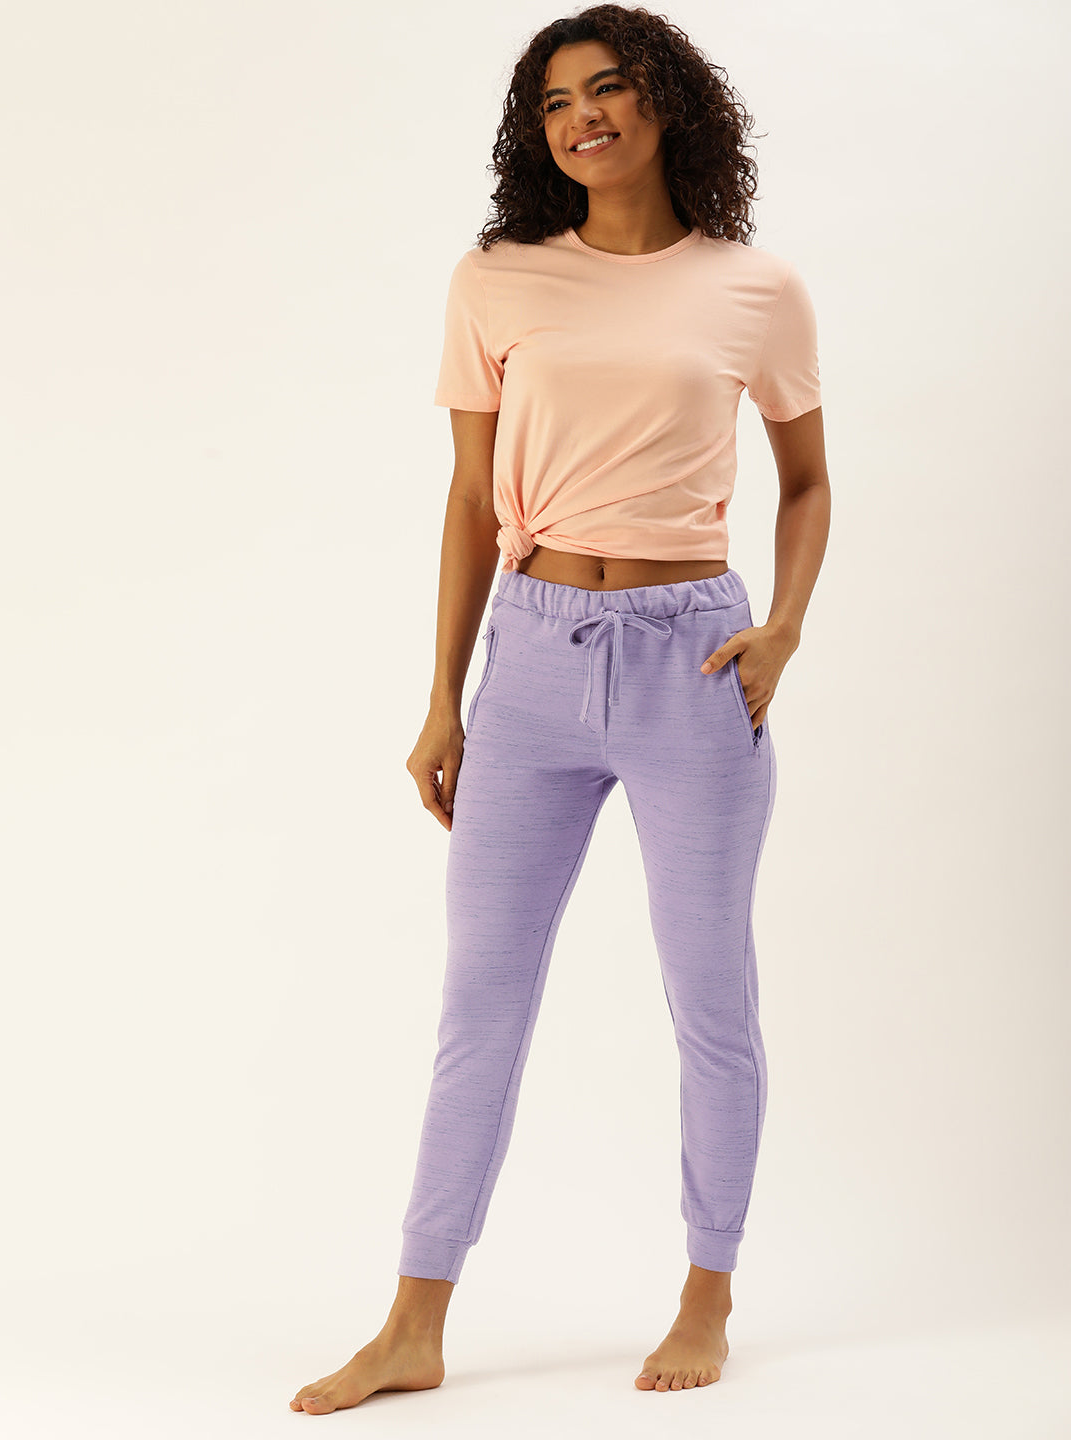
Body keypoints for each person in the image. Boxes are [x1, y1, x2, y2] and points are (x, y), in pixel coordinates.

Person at [291, 2, 829, 1414]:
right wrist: (442, 698)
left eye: (606, 88)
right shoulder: (497, 281)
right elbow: (472, 500)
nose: (580, 117)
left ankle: (707, 1291)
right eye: (553, 102)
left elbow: (807, 480)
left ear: (667, 102)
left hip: (693, 660)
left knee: (710, 994)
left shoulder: (754, 287)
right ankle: (414, 1322)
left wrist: (781, 627)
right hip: (528, 660)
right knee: (480, 1000)